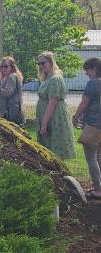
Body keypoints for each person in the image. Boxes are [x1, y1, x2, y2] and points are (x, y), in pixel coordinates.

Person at [36, 51, 75, 159]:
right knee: (48, 146)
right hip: (48, 115)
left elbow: (52, 103)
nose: (41, 66)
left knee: (54, 146)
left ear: (51, 62)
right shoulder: (47, 77)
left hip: (54, 117)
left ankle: (57, 172)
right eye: (39, 64)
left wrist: (44, 124)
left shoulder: (54, 78)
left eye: (43, 63)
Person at [72, 58, 101, 199]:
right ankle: (99, 186)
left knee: (91, 159)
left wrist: (76, 116)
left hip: (92, 126)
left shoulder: (93, 83)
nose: (86, 73)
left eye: (87, 69)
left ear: (94, 69)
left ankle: (98, 191)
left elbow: (84, 103)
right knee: (99, 157)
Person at [0, 56, 25, 125]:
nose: (3, 69)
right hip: (11, 111)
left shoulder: (11, 76)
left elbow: (8, 92)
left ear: (12, 66)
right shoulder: (9, 77)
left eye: (5, 66)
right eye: (1, 67)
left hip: (11, 112)